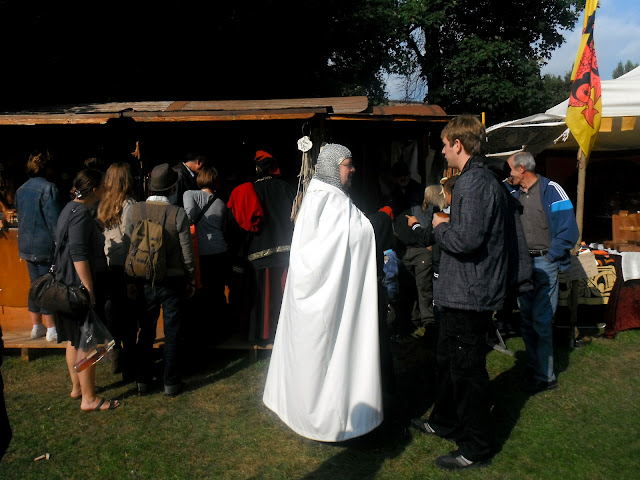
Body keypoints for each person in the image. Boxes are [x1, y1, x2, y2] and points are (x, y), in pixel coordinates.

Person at [263, 144, 383, 442]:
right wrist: (380, 221)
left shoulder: (320, 196)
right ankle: (326, 417)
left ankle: (304, 410)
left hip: (323, 293)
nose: (352, 169)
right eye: (347, 164)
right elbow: (347, 240)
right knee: (323, 357)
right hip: (323, 298)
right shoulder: (329, 200)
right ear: (331, 167)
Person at [411, 115, 508, 469]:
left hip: (470, 292)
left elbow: (467, 240)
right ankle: (445, 420)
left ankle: (475, 447)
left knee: (468, 372)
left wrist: (439, 226)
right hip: (461, 291)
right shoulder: (473, 180)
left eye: (444, 144)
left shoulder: (474, 182)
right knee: (450, 363)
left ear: (458, 144)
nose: (441, 151)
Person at [507, 152, 579, 393]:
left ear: (522, 169)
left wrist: (550, 256)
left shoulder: (551, 190)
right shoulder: (513, 193)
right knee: (527, 320)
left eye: (510, 169)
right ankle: (534, 366)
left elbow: (569, 230)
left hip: (544, 262)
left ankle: (546, 376)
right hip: (523, 263)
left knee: (542, 319)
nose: (508, 174)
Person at [126, 163, 196, 397]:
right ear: (172, 188)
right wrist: (191, 278)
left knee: (145, 331)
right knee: (173, 332)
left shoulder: (135, 210)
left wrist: (129, 279)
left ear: (150, 186)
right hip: (172, 280)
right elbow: (187, 253)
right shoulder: (177, 213)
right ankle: (171, 383)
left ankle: (142, 381)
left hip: (142, 278)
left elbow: (129, 244)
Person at [54, 169, 118, 411]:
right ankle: (89, 399)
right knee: (87, 341)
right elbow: (78, 252)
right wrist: (89, 288)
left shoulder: (69, 208)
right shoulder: (81, 213)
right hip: (77, 285)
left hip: (66, 282)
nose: (105, 191)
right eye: (103, 187)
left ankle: (78, 388)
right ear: (94, 190)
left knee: (75, 339)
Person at [245, 150, 295, 345]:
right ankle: (287, 334)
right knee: (284, 292)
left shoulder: (250, 190)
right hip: (286, 248)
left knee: (263, 295)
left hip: (259, 249)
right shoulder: (286, 188)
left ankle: (264, 334)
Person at [96, 162, 138, 380]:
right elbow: (130, 238)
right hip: (124, 265)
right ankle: (128, 361)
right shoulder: (129, 204)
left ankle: (116, 352)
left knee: (113, 311)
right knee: (128, 315)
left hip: (109, 262)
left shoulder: (104, 203)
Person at [15, 150, 61, 342]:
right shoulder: (49, 188)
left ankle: (37, 326)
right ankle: (51, 329)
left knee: (35, 285)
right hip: (44, 246)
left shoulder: (21, 189)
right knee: (46, 286)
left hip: (26, 245)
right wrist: (60, 245)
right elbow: (54, 222)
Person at [183, 166, 229, 342]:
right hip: (219, 250)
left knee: (200, 292)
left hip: (200, 251)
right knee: (216, 292)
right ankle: (218, 332)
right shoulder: (221, 203)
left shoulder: (190, 194)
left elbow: (188, 217)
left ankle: (201, 333)